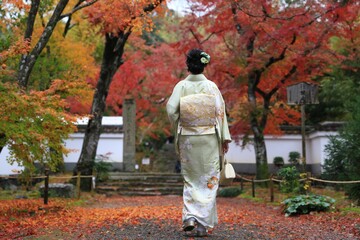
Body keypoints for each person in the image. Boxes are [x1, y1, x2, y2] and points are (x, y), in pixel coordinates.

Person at [166, 48, 232, 237]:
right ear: (204, 65)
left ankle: (190, 217)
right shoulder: (211, 87)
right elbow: (220, 112)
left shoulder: (181, 86)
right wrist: (224, 138)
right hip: (209, 136)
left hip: (188, 137)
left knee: (191, 178)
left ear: (188, 65)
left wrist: (181, 123)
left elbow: (171, 110)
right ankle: (202, 225)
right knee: (209, 180)